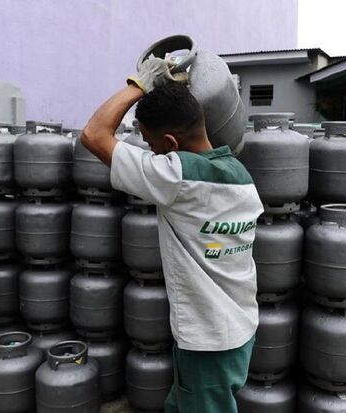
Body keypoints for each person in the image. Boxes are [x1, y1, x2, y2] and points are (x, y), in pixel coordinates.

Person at [81, 58, 264, 412]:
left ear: (169, 142)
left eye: (150, 146)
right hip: (238, 328)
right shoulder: (240, 175)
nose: (150, 153)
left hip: (208, 341)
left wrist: (139, 84)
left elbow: (94, 134)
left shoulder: (178, 178)